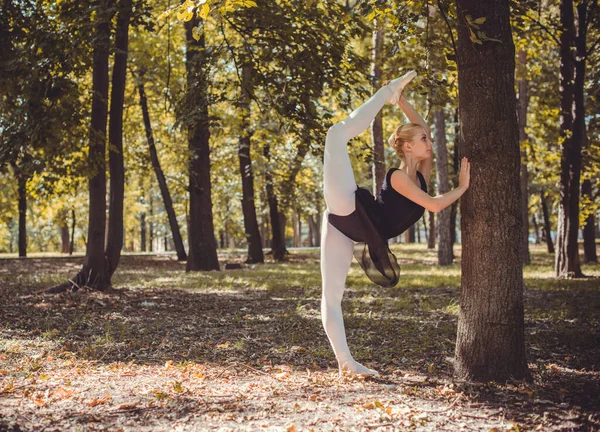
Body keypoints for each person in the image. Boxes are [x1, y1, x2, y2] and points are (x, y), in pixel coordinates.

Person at [320, 70, 471, 376]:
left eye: (427, 139)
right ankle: (383, 91)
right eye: (423, 140)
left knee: (332, 297)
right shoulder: (399, 177)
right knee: (335, 134)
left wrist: (401, 101)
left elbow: (423, 128)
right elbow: (434, 204)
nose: (428, 141)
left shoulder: (421, 175)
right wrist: (462, 188)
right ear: (408, 147)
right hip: (350, 208)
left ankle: (345, 363)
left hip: (351, 228)